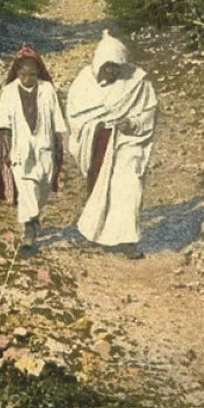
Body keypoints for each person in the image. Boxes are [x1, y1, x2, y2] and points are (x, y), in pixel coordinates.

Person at [66, 30, 159, 260]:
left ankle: (128, 240)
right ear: (98, 64)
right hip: (98, 140)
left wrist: (132, 123)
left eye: (117, 66)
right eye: (108, 66)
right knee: (100, 187)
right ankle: (96, 233)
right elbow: (75, 115)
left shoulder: (137, 81)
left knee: (130, 186)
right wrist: (95, 127)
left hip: (128, 142)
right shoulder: (84, 81)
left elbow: (149, 113)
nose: (112, 71)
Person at [0, 44, 67, 254]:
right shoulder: (8, 92)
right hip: (20, 151)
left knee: (42, 190)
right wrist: (6, 151)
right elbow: (3, 125)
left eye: (33, 74)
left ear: (39, 73)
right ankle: (28, 232)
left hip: (44, 149)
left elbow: (57, 122)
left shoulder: (47, 90)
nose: (28, 78)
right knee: (26, 190)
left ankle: (35, 218)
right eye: (24, 74)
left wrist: (58, 148)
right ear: (17, 72)